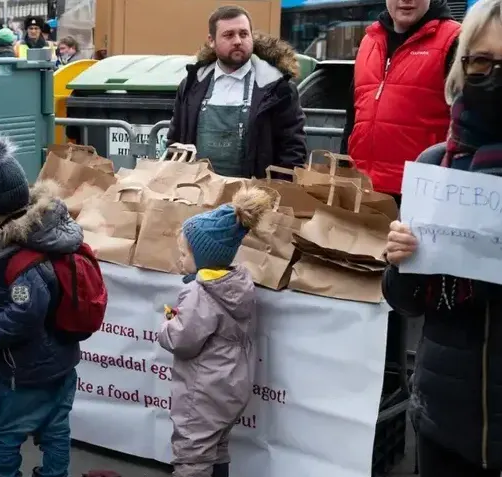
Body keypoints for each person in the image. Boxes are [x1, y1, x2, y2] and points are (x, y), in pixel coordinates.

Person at [382, 0, 502, 475]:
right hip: (445, 422)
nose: (497, 75)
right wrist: (401, 260)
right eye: (481, 61)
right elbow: (406, 301)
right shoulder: (438, 165)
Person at [0, 127, 82, 477]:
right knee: (56, 431)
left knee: (6, 434)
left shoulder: (20, 257)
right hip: (61, 358)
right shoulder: (45, 230)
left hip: (28, 370)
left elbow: (25, 313)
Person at [158, 187, 273, 477]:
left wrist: (166, 325)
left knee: (192, 455)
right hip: (232, 387)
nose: (181, 260)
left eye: (185, 254)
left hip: (203, 391)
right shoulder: (237, 284)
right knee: (217, 446)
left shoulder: (199, 293)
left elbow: (182, 340)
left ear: (204, 257)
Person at [167, 5, 306, 178]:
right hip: (197, 194)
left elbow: (293, 150)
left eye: (244, 34)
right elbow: (175, 141)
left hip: (252, 198)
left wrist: (274, 194)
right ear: (211, 41)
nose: (238, 41)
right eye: (229, 35)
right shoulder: (193, 85)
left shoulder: (277, 87)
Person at [340, 0, 460, 199]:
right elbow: (353, 118)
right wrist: (344, 170)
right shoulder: (370, 41)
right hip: (362, 191)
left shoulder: (455, 41)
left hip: (421, 195)